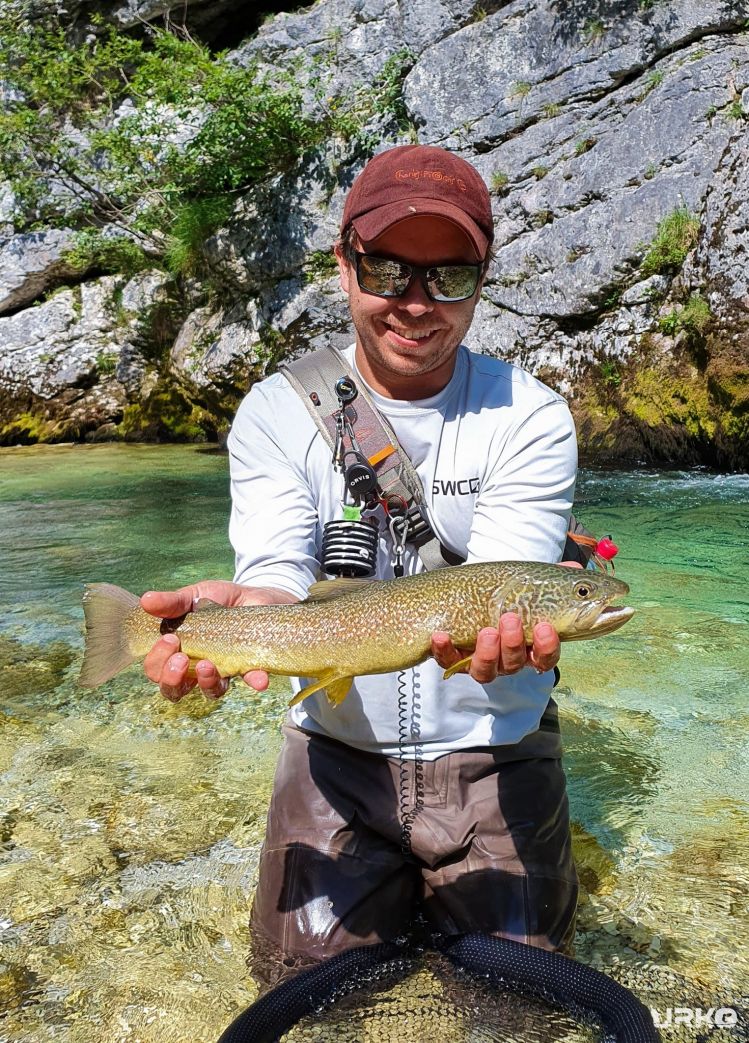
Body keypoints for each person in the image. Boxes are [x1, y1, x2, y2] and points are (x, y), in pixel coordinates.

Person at [141, 144, 580, 981]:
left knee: (523, 1007)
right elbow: (273, 572)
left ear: (481, 281)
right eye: (387, 269)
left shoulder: (529, 414)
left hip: (497, 747)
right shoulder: (276, 410)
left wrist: (512, 635)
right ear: (343, 265)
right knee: (301, 996)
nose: (416, 304)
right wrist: (235, 624)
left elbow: (504, 586)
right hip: (333, 755)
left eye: (449, 277)